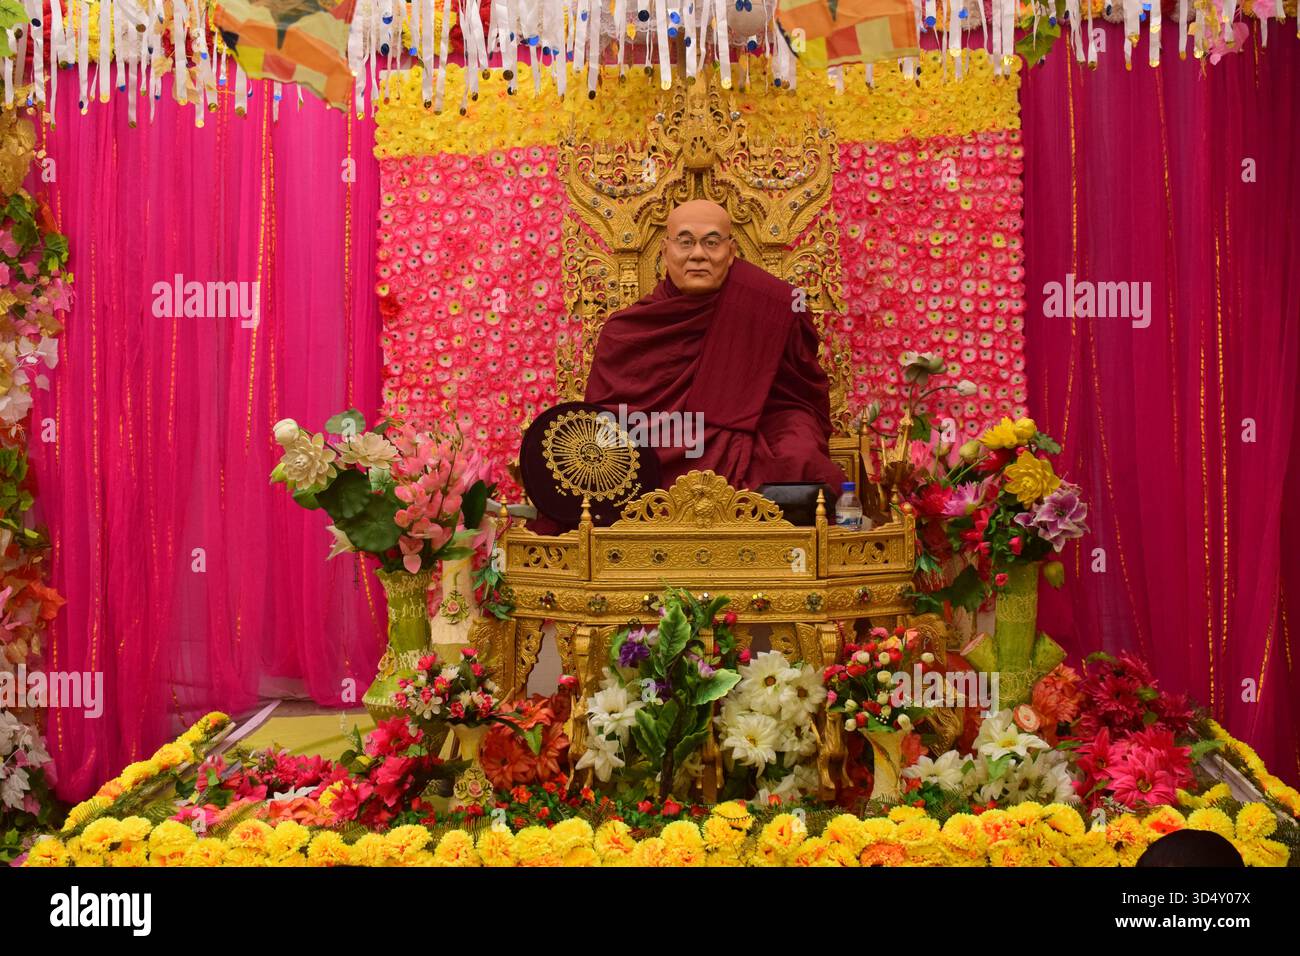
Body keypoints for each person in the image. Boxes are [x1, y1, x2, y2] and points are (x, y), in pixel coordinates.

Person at [583, 199, 846, 493]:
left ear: (731, 252)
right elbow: (604, 422)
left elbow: (797, 399)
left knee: (799, 455)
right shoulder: (626, 331)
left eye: (711, 242)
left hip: (754, 428)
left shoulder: (768, 306)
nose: (698, 255)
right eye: (685, 242)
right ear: (664, 252)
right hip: (659, 436)